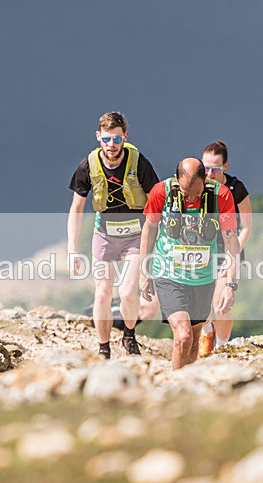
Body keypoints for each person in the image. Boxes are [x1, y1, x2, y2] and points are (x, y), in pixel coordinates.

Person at [67, 112, 160, 358]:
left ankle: (129, 335)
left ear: (125, 137)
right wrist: (72, 249)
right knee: (103, 293)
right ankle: (103, 347)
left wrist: (157, 242)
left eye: (117, 140)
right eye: (107, 139)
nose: (111, 145)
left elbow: (155, 201)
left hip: (135, 236)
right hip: (104, 234)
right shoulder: (88, 166)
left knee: (128, 292)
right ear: (98, 137)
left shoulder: (138, 162)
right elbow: (76, 209)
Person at [139, 158, 240, 370]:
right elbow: (149, 229)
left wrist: (231, 284)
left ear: (205, 181)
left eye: (197, 193)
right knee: (183, 335)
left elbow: (231, 240)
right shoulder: (161, 192)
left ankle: (187, 387)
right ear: (177, 180)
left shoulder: (220, 195)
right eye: (186, 194)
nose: (192, 198)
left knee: (194, 337)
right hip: (169, 274)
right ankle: (174, 385)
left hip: (203, 276)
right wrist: (143, 271)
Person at [197, 140, 252, 355]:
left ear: (225, 167)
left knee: (221, 303)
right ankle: (207, 330)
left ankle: (222, 347)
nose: (209, 173)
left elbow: (246, 227)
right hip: (201, 249)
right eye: (206, 167)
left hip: (229, 248)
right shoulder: (197, 183)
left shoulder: (236, 189)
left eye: (215, 168)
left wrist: (233, 255)